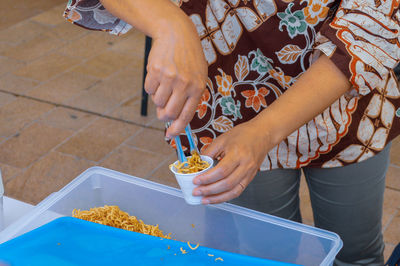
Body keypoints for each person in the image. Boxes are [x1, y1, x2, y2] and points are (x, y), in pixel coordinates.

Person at [64, 1, 400, 265]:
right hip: (228, 110)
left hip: (349, 109)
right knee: (265, 252)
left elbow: (371, 27)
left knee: (357, 253)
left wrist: (263, 132)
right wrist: (169, 23)